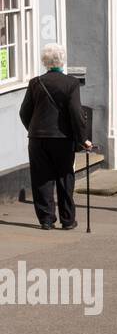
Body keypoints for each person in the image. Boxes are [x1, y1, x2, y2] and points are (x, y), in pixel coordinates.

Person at [19, 44, 91, 230]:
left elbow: (24, 112)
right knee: (65, 177)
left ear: (45, 61)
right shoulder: (71, 83)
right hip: (62, 138)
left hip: (37, 139)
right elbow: (76, 113)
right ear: (62, 60)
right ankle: (67, 220)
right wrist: (83, 138)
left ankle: (46, 219)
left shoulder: (35, 82)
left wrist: (34, 129)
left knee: (41, 178)